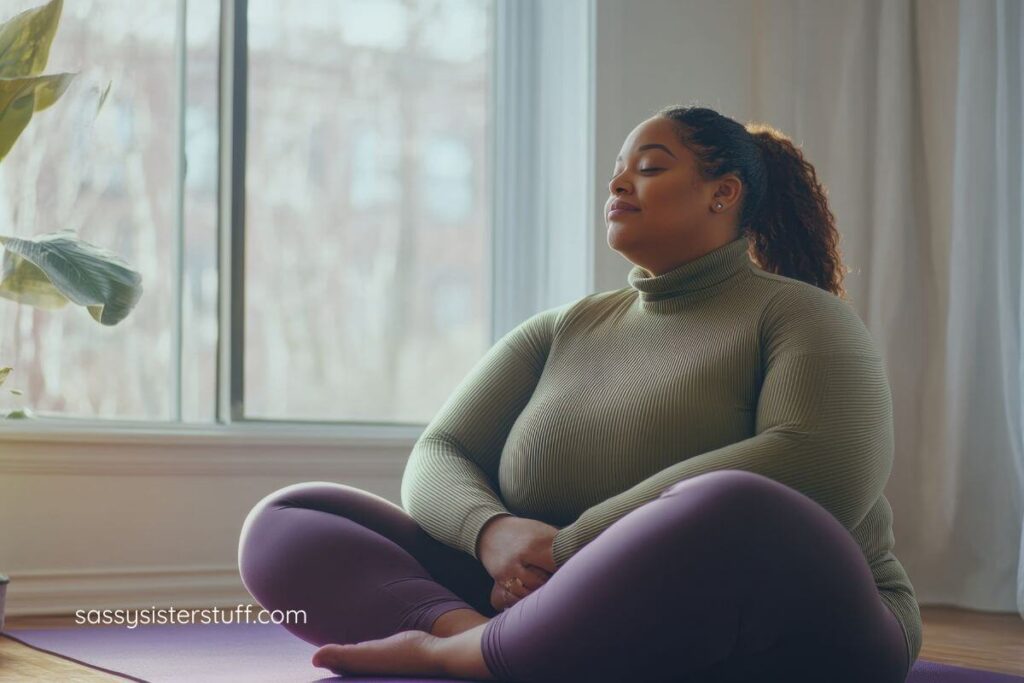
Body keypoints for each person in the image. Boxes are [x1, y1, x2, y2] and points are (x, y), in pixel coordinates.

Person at [237, 104, 921, 682]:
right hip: (546, 599)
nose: (619, 180)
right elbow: (440, 450)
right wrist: (493, 534)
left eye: (650, 166)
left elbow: (822, 462)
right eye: (619, 169)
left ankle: (481, 654)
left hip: (784, 624)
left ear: (724, 192)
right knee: (290, 516)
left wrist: (570, 550)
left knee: (731, 504)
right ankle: (473, 639)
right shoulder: (562, 328)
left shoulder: (799, 315)